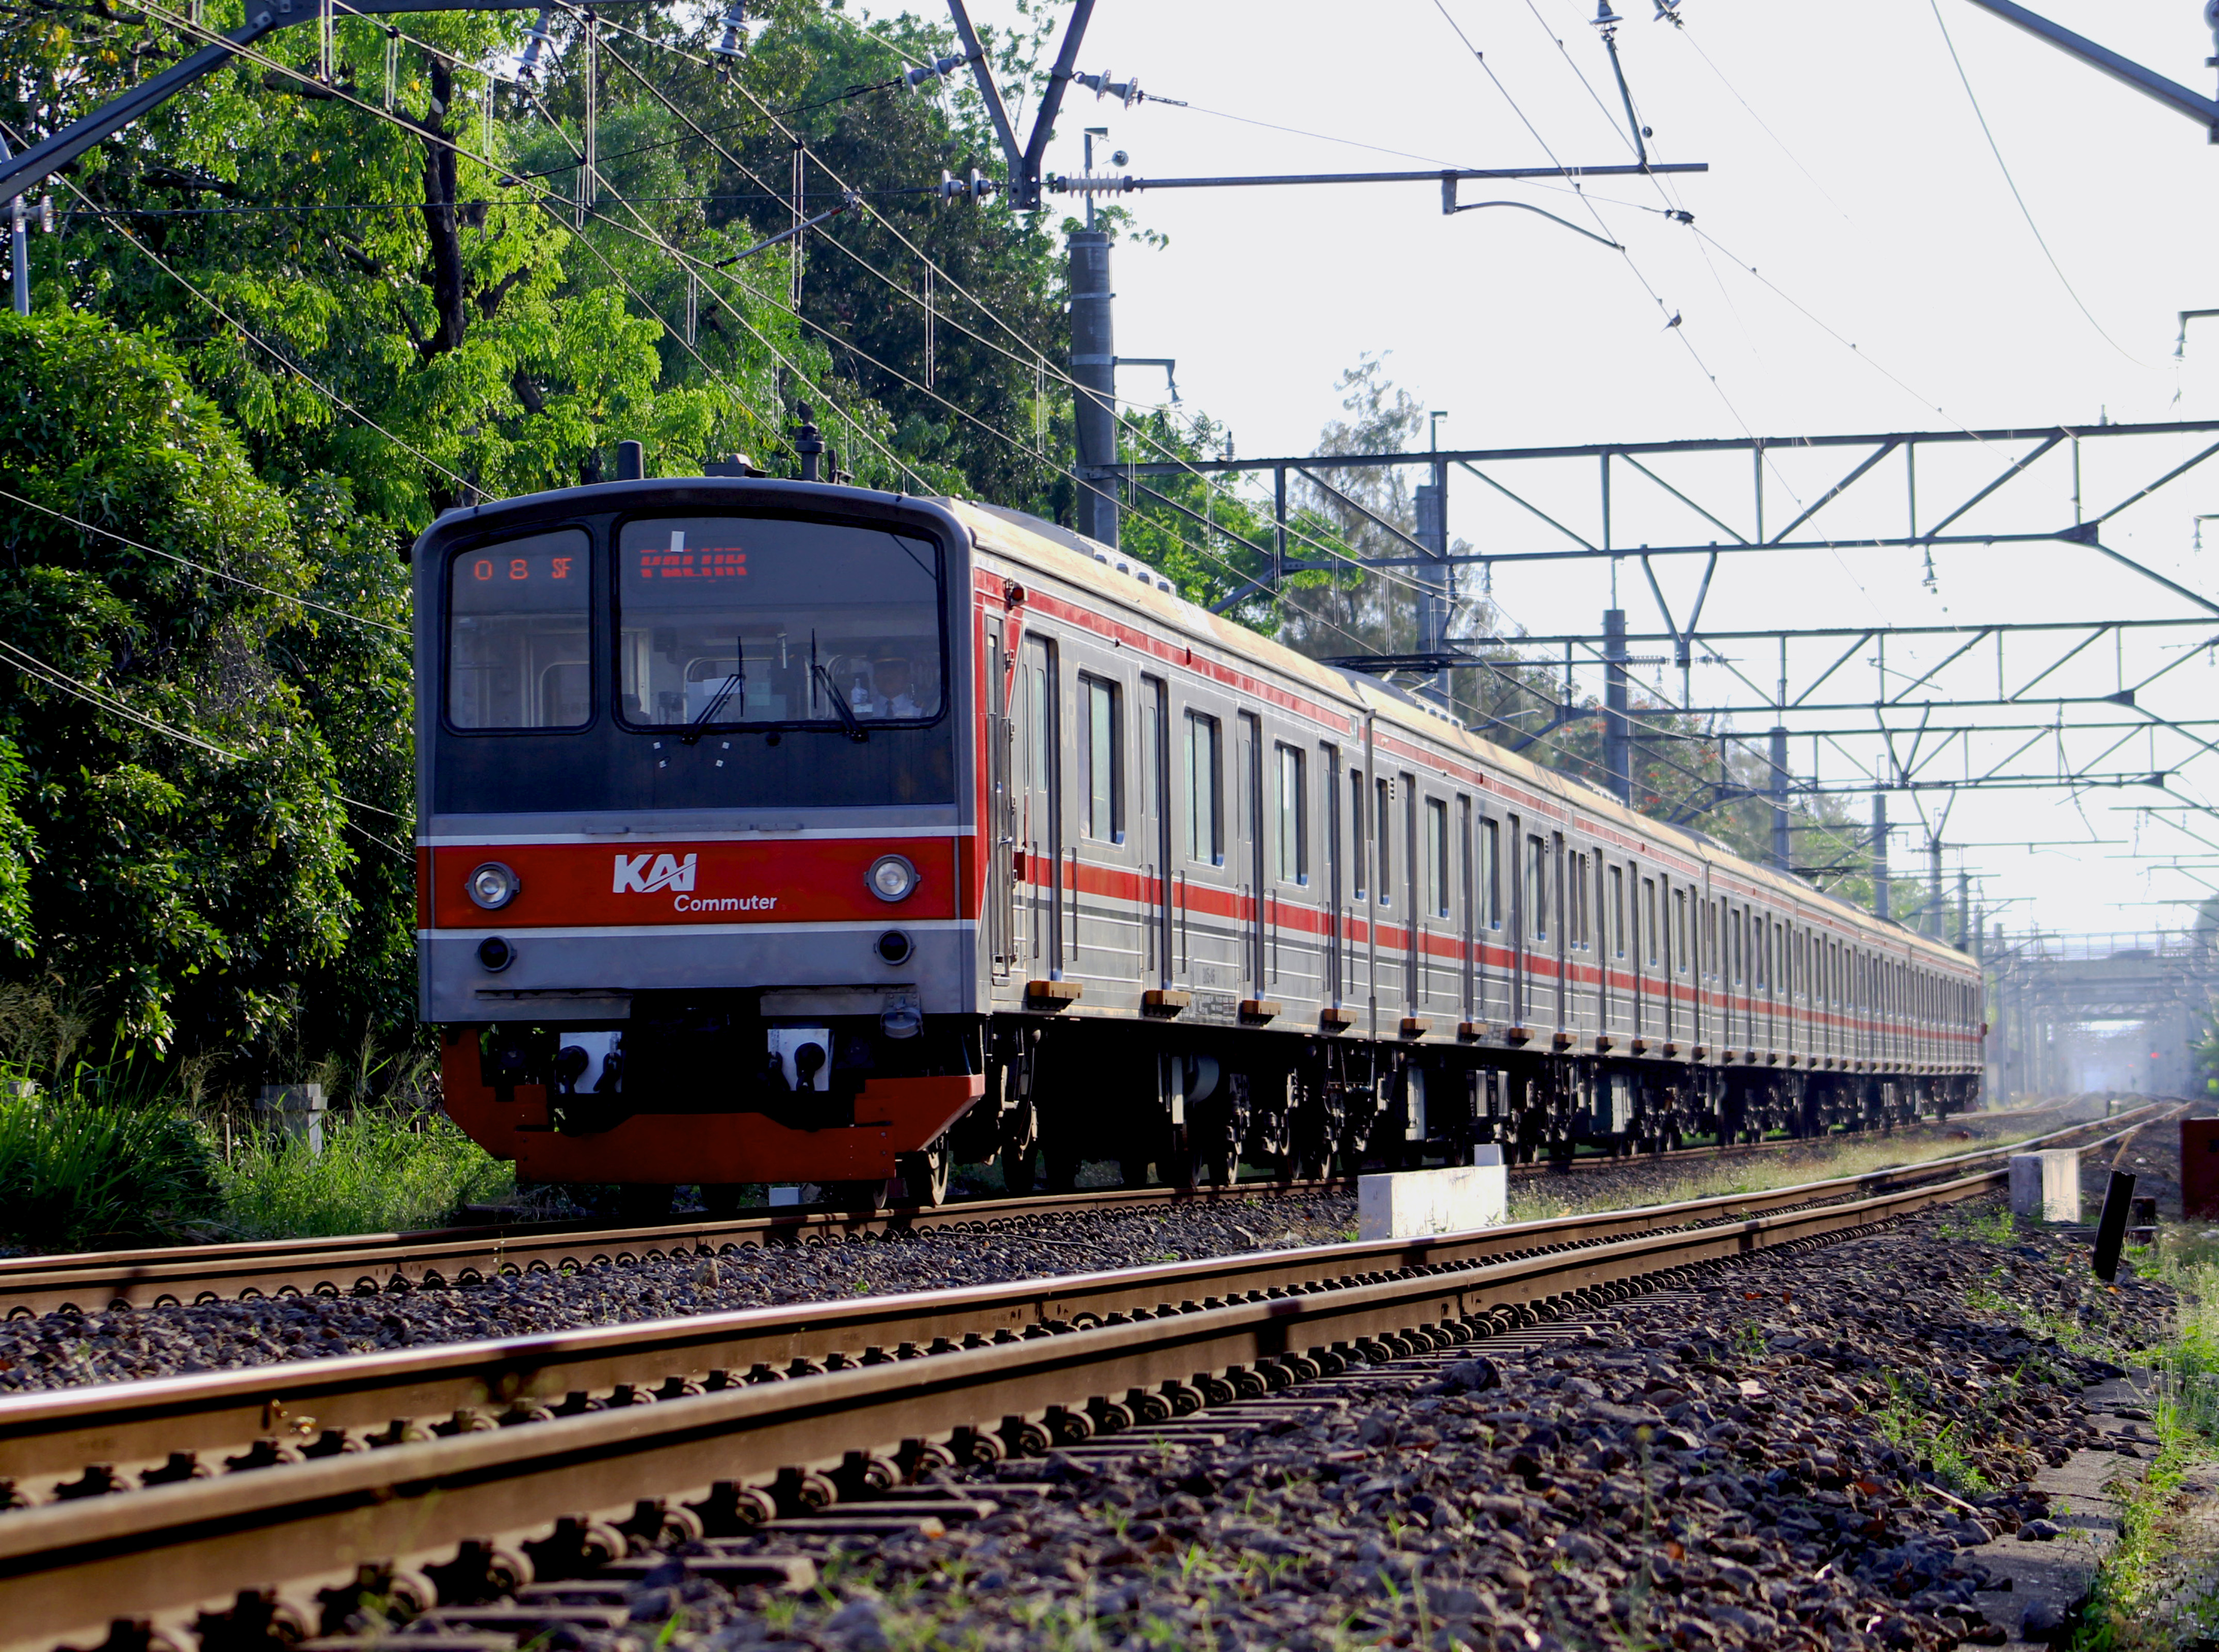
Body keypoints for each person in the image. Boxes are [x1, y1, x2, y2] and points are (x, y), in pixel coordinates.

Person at [869, 646, 922, 717]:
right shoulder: (862, 709)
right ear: (874, 678)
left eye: (895, 669)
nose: (887, 675)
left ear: (908, 677)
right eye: (882, 669)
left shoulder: (919, 711)